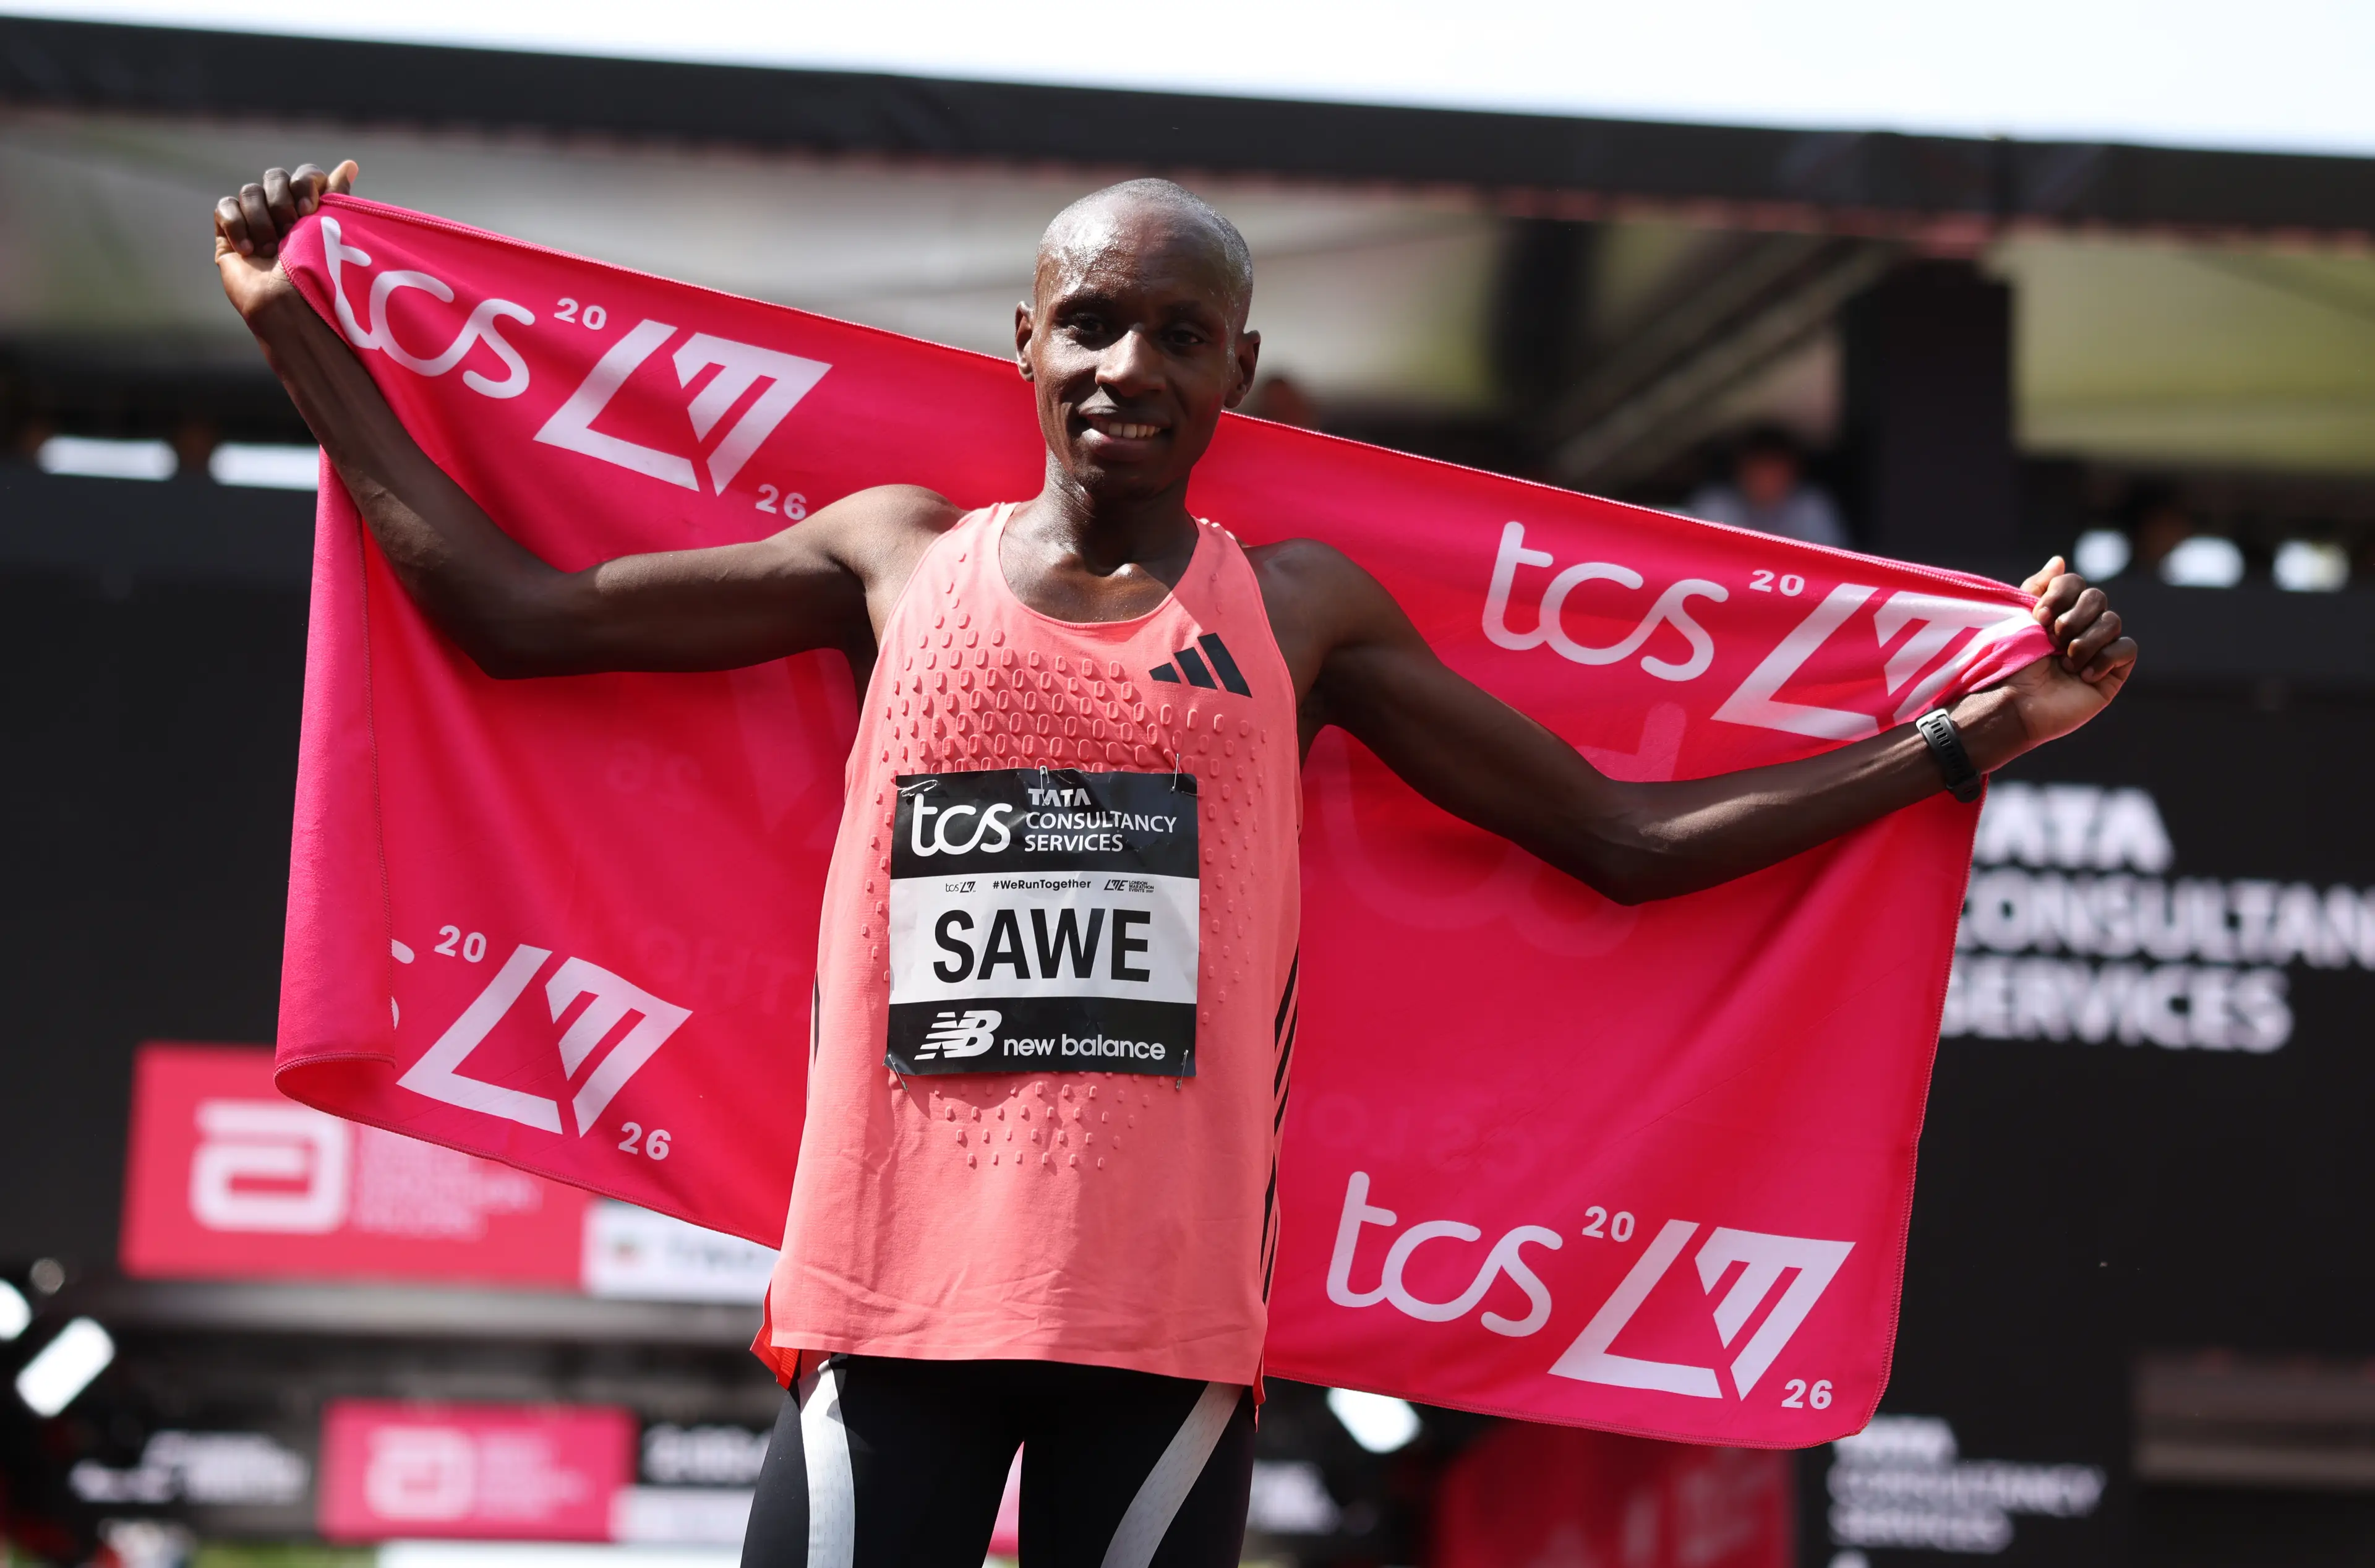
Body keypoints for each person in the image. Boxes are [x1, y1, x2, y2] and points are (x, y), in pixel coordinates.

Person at [213, 161, 2136, 1568]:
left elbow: (1619, 839)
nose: (1130, 362)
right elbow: (514, 615)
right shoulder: (890, 554)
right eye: (1094, 321)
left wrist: (1967, 736)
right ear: (1024, 338)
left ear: (1240, 368)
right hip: (890, 1296)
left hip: (1166, 1327)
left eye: (1181, 333)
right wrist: (298, 326)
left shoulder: (1297, 611)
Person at [1684, 424, 1850, 549]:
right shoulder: (1715, 504)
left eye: (1774, 471)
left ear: (1793, 473)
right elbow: (1698, 555)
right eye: (1759, 470)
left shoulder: (1811, 506)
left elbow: (1831, 558)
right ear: (1740, 470)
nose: (1766, 480)